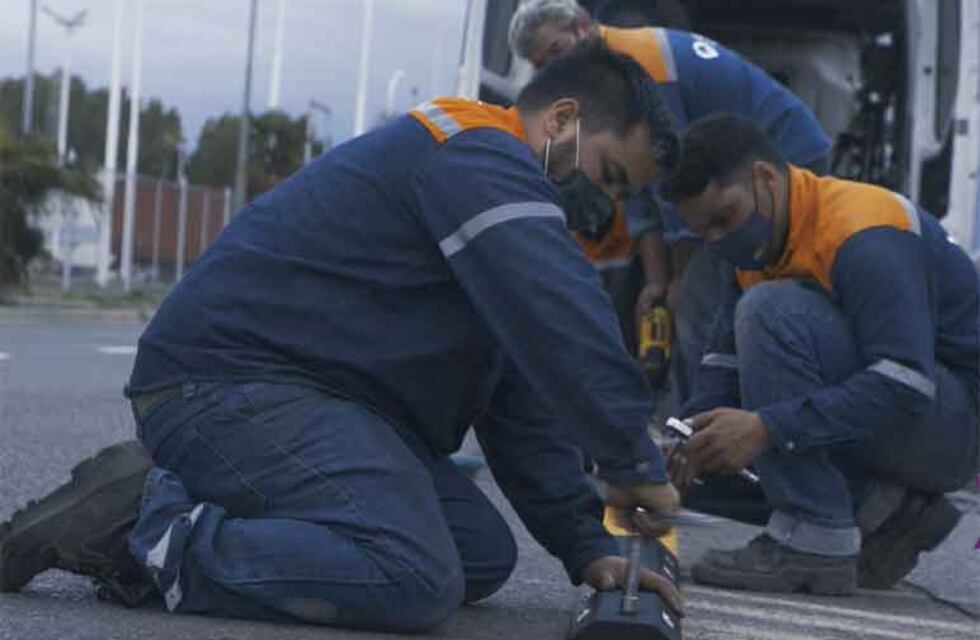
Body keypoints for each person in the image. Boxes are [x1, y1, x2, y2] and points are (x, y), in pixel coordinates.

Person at [0, 43, 685, 631]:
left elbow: (517, 397)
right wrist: (632, 463)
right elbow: (560, 315)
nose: (604, 204)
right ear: (563, 119)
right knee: (413, 575)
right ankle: (142, 528)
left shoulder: (486, 197)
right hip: (224, 384)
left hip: (311, 401)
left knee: (477, 553)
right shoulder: (475, 154)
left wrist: (583, 543)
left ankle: (194, 494)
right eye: (609, 174)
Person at [661, 114, 978, 594]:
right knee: (714, 460)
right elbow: (722, 363)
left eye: (724, 218)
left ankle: (813, 542)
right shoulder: (756, 244)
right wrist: (681, 440)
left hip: (954, 424)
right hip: (908, 416)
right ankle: (888, 514)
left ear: (765, 178)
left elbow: (904, 384)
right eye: (703, 231)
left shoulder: (865, 232)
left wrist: (768, 427)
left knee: (771, 311)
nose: (718, 240)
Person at [508, 0, 832, 409]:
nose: (555, 68)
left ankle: (705, 430)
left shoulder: (642, 63)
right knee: (704, 298)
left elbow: (677, 179)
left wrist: (678, 279)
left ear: (583, 26)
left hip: (785, 154)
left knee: (702, 302)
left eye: (556, 51)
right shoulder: (604, 79)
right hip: (734, 166)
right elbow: (640, 189)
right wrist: (657, 281)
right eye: (543, 64)